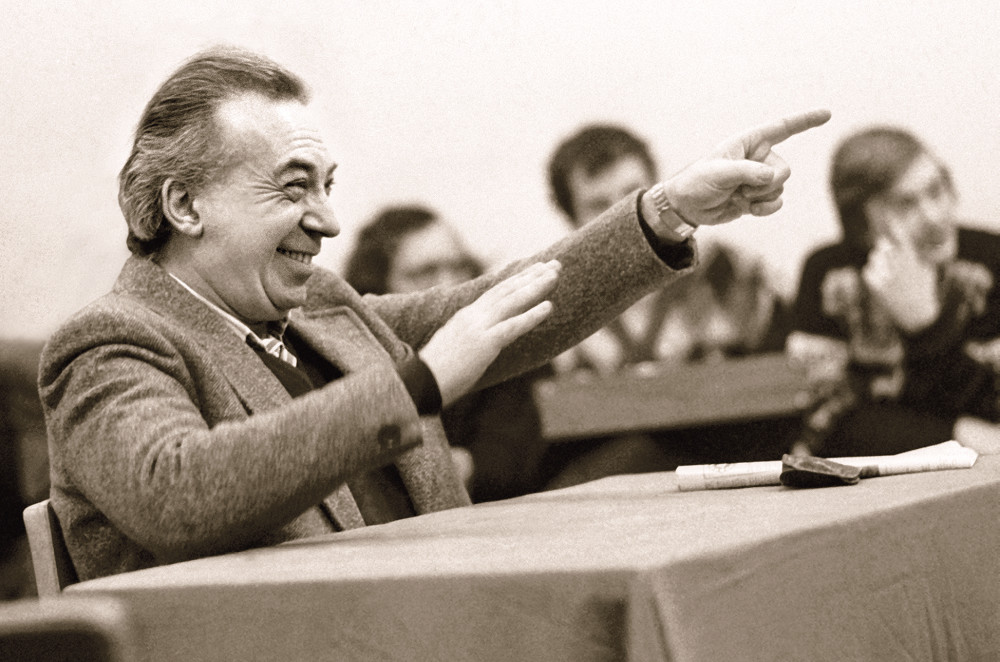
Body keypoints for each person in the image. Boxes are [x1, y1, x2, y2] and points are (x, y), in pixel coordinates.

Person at [37, 45, 829, 581]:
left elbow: (507, 307)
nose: (328, 221)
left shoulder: (322, 306)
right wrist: (416, 387)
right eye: (293, 187)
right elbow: (178, 492)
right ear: (184, 205)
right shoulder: (111, 341)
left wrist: (664, 212)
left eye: (328, 186)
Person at [788, 125, 1000, 458]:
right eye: (905, 204)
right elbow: (825, 424)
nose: (934, 216)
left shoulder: (991, 259)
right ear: (860, 221)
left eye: (936, 190)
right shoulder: (828, 273)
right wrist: (957, 433)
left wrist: (927, 327)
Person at [344, 205, 558, 502]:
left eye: (459, 267)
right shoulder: (350, 359)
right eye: (424, 273)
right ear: (378, 286)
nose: (449, 285)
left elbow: (518, 458)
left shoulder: (508, 341)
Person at [547, 123, 792, 374]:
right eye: (598, 205)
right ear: (572, 219)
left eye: (631, 195)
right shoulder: (556, 308)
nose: (621, 215)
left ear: (657, 191)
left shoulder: (729, 270)